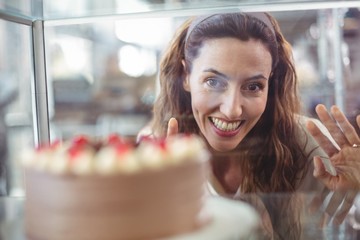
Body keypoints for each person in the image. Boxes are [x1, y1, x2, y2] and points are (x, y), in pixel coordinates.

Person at [139, 12, 359, 239]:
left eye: (253, 86)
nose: (232, 109)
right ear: (186, 75)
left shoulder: (313, 144)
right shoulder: (153, 153)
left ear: (270, 83)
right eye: (213, 82)